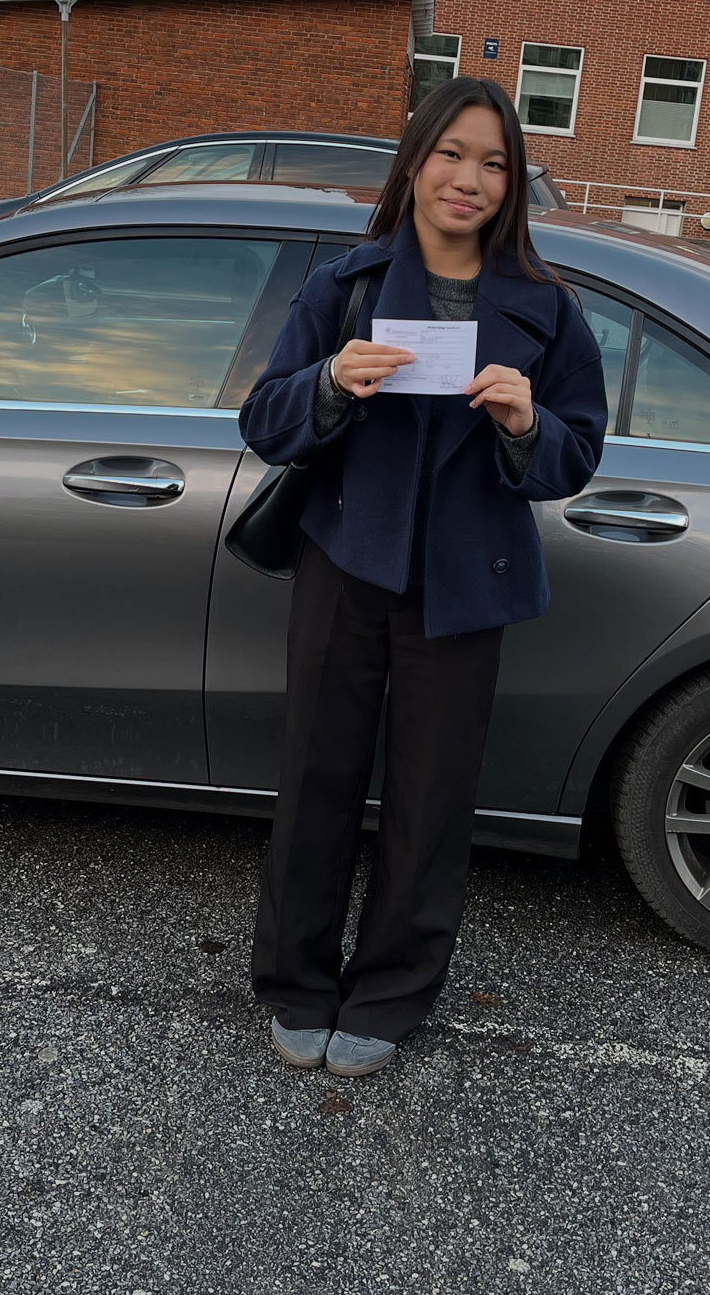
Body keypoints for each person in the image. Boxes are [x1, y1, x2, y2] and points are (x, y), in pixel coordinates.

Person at [238, 76, 608, 1079]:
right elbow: (264, 422)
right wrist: (328, 382)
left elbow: (578, 456)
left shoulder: (549, 310)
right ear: (413, 162)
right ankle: (296, 980)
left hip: (466, 582)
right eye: (451, 154)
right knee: (316, 777)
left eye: (493, 163)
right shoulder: (345, 288)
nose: (468, 179)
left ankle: (392, 992)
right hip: (346, 562)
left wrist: (529, 423)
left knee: (431, 797)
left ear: (513, 184)